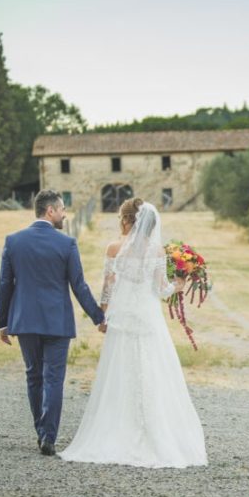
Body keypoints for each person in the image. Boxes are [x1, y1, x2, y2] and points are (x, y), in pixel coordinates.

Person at [58, 198, 208, 468]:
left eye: (121, 219)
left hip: (123, 318)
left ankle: (118, 428)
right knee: (153, 369)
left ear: (127, 220)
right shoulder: (157, 252)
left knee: (119, 372)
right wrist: (179, 285)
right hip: (148, 319)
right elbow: (160, 290)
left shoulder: (114, 249)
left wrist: (102, 315)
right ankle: (155, 431)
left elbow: (107, 286)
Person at [0, 190, 106, 456]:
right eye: (62, 209)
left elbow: (4, 285)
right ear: (50, 211)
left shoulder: (14, 241)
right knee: (53, 379)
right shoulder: (66, 244)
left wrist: (3, 322)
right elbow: (79, 286)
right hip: (57, 322)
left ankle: (40, 432)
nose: (65, 214)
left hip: (25, 321)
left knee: (34, 376)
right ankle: (49, 436)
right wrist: (98, 317)